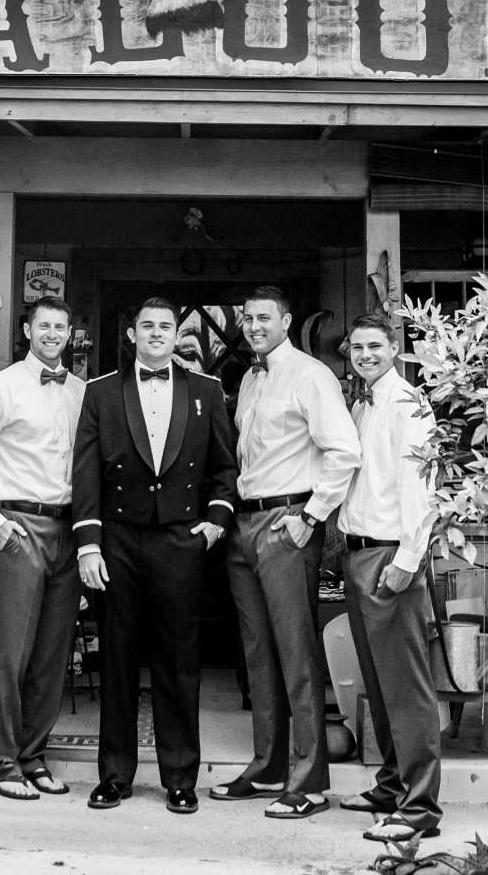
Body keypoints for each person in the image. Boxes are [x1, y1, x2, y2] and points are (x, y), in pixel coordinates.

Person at [72, 297, 238, 815]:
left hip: (179, 542)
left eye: (165, 326)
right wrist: (89, 543)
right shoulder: (100, 392)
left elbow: (224, 467)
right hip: (118, 541)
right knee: (118, 657)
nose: (157, 334)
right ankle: (114, 775)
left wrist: (214, 524)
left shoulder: (207, 391)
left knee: (179, 664)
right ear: (132, 334)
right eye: (147, 326)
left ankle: (180, 777)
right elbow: (86, 473)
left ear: (176, 333)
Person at [212, 286, 360, 819]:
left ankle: (310, 781)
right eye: (248, 318)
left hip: (287, 521)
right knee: (258, 655)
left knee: (297, 653)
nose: (254, 326)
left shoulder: (311, 375)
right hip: (245, 523)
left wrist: (310, 518)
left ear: (286, 321)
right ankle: (267, 766)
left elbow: (345, 451)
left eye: (265, 318)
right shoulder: (251, 378)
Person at [0, 297, 86, 802]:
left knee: (54, 653)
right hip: (18, 527)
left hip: (69, 530)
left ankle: (34, 756)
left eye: (60, 325)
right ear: (27, 329)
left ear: (70, 333)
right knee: (11, 652)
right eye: (43, 325)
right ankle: (2, 762)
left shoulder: (80, 392)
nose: (52, 332)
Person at [337, 312, 444, 844]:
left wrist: (408, 559)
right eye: (357, 347)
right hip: (357, 553)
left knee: (406, 684)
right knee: (378, 682)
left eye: (375, 346)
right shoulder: (361, 402)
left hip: (389, 555)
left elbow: (419, 488)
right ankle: (390, 784)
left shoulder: (409, 405)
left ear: (395, 348)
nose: (365, 355)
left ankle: (420, 806)